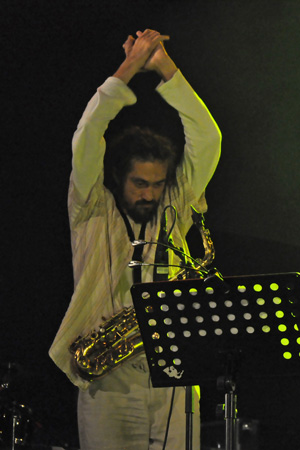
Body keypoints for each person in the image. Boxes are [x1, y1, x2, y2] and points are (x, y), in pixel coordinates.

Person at [49, 29, 221, 450]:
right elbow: (87, 136)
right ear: (118, 178)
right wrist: (128, 69)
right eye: (139, 183)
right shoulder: (92, 205)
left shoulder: (173, 204)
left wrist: (165, 68)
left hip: (175, 372)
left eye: (157, 184)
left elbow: (208, 139)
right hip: (108, 376)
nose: (149, 193)